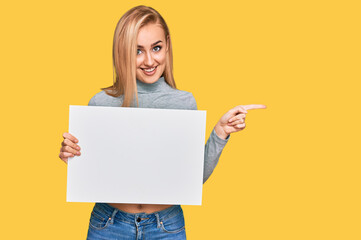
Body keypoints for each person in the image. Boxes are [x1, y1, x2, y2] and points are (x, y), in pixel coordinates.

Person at [59, 5, 266, 240]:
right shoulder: (100, 103)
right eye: (137, 51)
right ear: (122, 51)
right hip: (109, 224)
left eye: (156, 48)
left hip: (166, 226)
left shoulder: (184, 103)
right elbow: (96, 173)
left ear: (167, 45)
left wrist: (220, 132)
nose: (149, 60)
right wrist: (73, 157)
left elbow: (192, 179)